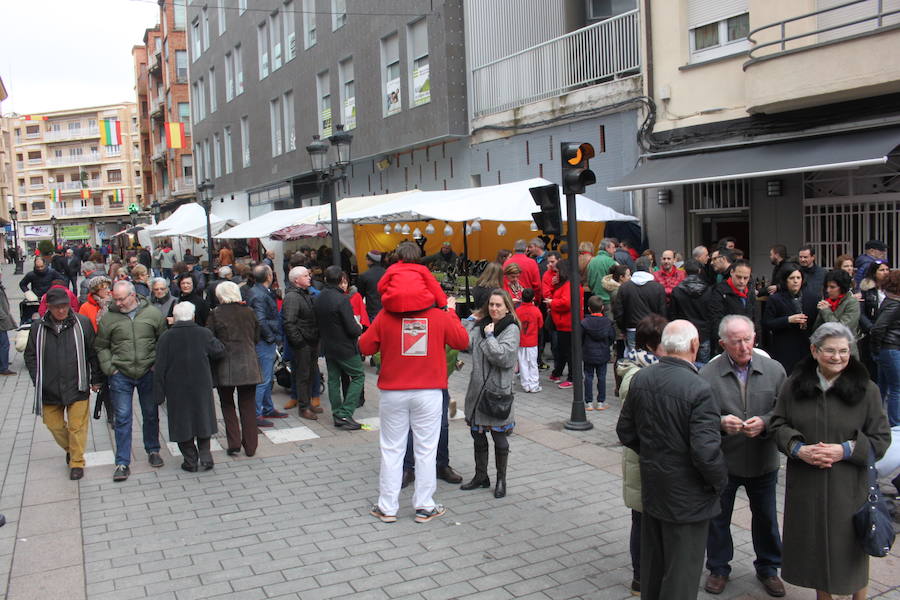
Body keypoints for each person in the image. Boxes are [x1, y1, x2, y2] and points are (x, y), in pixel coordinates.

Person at [770, 322, 890, 600]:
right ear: (814, 350)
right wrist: (798, 448)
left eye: (844, 351)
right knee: (815, 554)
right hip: (807, 486)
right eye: (830, 351)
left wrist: (846, 450)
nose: (837, 357)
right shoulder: (794, 385)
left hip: (849, 488)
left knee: (851, 553)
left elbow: (881, 438)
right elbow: (777, 425)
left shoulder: (867, 389)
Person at [616, 320, 727, 600]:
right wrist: (719, 482)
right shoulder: (700, 389)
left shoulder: (642, 378)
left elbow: (625, 432)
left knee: (653, 568)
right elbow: (706, 453)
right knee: (681, 575)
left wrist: (655, 455)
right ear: (694, 345)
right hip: (688, 498)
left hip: (654, 488)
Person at [359, 264, 469, 523]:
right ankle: (424, 505)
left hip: (393, 393)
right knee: (426, 449)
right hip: (429, 392)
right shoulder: (439, 316)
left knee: (392, 449)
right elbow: (462, 342)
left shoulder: (385, 317)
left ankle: (387, 507)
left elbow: (364, 345)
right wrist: (450, 312)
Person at [699, 315, 787, 597]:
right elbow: (699, 418)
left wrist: (765, 422)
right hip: (724, 460)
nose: (743, 346)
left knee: (766, 517)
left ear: (755, 338)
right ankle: (718, 567)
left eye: (747, 339)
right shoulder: (708, 374)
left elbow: (785, 412)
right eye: (736, 341)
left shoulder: (774, 370)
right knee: (718, 517)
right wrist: (721, 422)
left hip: (763, 459)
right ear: (723, 343)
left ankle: (769, 568)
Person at [24, 288, 101, 480]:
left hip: (77, 384)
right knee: (53, 425)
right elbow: (30, 356)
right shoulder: (38, 328)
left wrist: (96, 379)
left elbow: (92, 352)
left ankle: (76, 462)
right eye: (57, 307)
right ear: (48, 308)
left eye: (64, 306)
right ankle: (71, 448)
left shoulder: (82, 323)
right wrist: (37, 379)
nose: (61, 311)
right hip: (49, 387)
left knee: (77, 427)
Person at [95, 280, 167, 481]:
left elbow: (163, 340)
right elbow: (101, 345)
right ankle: (122, 462)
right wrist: (110, 368)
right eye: (115, 299)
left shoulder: (152, 314)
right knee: (123, 417)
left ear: (133, 295)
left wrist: (156, 364)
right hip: (121, 374)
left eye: (121, 299)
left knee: (151, 413)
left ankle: (153, 450)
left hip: (147, 372)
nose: (117, 303)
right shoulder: (109, 318)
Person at [617, 314, 668, 596]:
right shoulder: (637, 376)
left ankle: (648, 573)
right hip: (642, 459)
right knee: (642, 519)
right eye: (665, 343)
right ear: (651, 346)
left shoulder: (644, 368)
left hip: (647, 460)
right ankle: (641, 576)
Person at [461, 289, 520, 499]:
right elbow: (464, 342)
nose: (494, 309)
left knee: (499, 438)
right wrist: (469, 321)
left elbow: (503, 358)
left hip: (497, 393)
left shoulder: (511, 328)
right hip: (477, 391)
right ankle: (481, 476)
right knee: (477, 435)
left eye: (498, 305)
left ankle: (501, 480)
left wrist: (489, 336)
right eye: (492, 305)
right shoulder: (481, 324)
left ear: (507, 308)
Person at [154, 302, 225, 472]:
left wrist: (158, 393)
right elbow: (219, 351)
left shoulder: (166, 337)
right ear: (193, 316)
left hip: (176, 387)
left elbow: (160, 366)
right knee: (203, 418)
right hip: (201, 383)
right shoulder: (203, 333)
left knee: (181, 422)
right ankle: (206, 455)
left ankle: (190, 459)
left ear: (175, 318)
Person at [206, 282, 264, 457]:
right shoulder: (249, 312)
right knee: (247, 405)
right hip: (248, 363)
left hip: (225, 364)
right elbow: (256, 337)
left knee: (227, 404)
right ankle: (251, 446)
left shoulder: (215, 314)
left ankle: (234, 443)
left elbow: (210, 339)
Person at [315, 265, 364, 430]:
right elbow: (351, 328)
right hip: (345, 346)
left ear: (326, 279)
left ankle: (338, 413)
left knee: (333, 380)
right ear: (340, 281)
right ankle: (346, 412)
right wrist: (359, 329)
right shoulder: (342, 299)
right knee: (358, 376)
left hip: (328, 345)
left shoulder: (319, 297)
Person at [245, 265, 287, 427]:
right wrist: (271, 337)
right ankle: (256, 414)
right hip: (263, 342)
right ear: (269, 276)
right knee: (263, 379)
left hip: (264, 340)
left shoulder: (259, 292)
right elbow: (260, 320)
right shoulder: (259, 294)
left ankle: (268, 408)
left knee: (267, 378)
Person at [763, 263, 819, 375]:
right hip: (784, 347)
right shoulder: (775, 299)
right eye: (792, 278)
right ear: (785, 280)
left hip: (806, 347)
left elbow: (817, 322)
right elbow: (767, 323)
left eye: (798, 278)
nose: (795, 281)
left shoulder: (812, 297)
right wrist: (788, 320)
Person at [282, 266, 320, 420]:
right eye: (305, 275)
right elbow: (289, 322)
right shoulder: (292, 297)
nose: (309, 277)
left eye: (308, 274)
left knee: (310, 373)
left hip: (310, 340)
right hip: (303, 343)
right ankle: (303, 407)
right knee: (303, 375)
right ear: (296, 280)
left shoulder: (305, 294)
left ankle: (308, 403)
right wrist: (300, 342)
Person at [613, 256, 666, 352]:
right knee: (652, 360)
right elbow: (662, 312)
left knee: (634, 362)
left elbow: (618, 312)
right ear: (649, 268)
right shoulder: (658, 288)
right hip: (652, 330)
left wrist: (623, 328)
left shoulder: (624, 287)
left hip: (632, 329)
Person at [547, 258, 584, 389]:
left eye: (556, 271)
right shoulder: (568, 283)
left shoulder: (569, 285)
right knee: (565, 351)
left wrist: (552, 303)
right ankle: (562, 374)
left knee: (569, 352)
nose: (555, 274)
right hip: (565, 323)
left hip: (567, 324)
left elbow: (566, 303)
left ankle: (572, 378)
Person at [668, 259, 713, 363]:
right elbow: (711, 313)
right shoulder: (709, 290)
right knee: (704, 367)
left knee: (685, 364)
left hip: (684, 333)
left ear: (684, 272)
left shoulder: (677, 290)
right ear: (699, 271)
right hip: (703, 332)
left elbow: (673, 315)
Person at [870, 269, 900, 427]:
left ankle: (876, 422)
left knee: (883, 387)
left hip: (887, 349)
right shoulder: (894, 305)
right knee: (896, 389)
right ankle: (896, 425)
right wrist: (876, 350)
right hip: (891, 349)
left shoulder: (890, 302)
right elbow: (878, 328)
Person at [708, 259, 756, 352]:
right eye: (739, 277)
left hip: (748, 342)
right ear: (731, 272)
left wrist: (756, 341)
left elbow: (755, 317)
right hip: (729, 344)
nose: (742, 281)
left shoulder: (750, 291)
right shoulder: (719, 291)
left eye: (746, 278)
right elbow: (716, 319)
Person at [581, 295, 614, 410]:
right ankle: (601, 402)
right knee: (602, 377)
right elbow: (611, 337)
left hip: (588, 353)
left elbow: (581, 338)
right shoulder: (608, 322)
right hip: (603, 352)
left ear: (589, 308)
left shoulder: (584, 323)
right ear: (603, 307)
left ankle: (588, 402)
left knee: (588, 377)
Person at [812, 270, 860, 347]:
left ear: (842, 287)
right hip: (825, 347)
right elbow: (817, 330)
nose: (828, 290)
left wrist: (826, 311)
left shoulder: (851, 302)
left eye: (832, 287)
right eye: (827, 287)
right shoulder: (827, 302)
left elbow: (840, 329)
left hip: (845, 349)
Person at [514, 287, 542, 393]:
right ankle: (534, 384)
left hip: (521, 341)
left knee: (523, 363)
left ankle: (525, 384)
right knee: (533, 363)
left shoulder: (518, 310)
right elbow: (540, 324)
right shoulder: (536, 311)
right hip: (532, 341)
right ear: (533, 298)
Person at [504, 239, 542, 303]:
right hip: (528, 299)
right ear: (526, 249)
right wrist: (537, 300)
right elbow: (537, 285)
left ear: (514, 249)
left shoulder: (507, 263)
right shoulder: (532, 263)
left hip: (511, 300)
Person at [586, 238, 618, 307]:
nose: (615, 250)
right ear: (607, 248)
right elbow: (617, 281)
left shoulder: (592, 261)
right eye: (613, 248)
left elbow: (589, 281)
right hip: (608, 299)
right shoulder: (610, 262)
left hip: (595, 299)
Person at [356, 250, 386, 323]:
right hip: (386, 309)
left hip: (372, 311)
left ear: (370, 261)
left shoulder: (364, 276)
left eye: (366, 259)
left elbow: (360, 295)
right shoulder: (387, 273)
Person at [0, 272, 16, 376]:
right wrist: (4, 317)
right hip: (1, 321)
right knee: (4, 344)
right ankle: (3, 367)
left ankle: (3, 362)